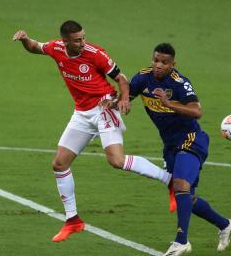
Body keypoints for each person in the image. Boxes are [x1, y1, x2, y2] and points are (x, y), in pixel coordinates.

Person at [13, 20, 172, 242]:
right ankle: (73, 220)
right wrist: (24, 39)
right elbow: (35, 47)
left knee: (116, 160)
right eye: (78, 40)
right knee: (59, 164)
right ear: (65, 41)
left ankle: (169, 181)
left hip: (104, 107)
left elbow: (121, 78)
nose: (83, 42)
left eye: (84, 37)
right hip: (82, 113)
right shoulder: (56, 48)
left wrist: (124, 98)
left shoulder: (95, 54)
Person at [129, 43, 231, 256]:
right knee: (186, 197)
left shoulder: (180, 83)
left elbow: (197, 111)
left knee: (180, 186)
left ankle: (181, 241)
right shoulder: (142, 78)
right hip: (170, 147)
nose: (158, 65)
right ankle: (225, 225)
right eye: (156, 60)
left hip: (191, 139)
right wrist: (119, 101)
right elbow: (127, 96)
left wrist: (169, 104)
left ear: (173, 64)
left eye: (164, 62)